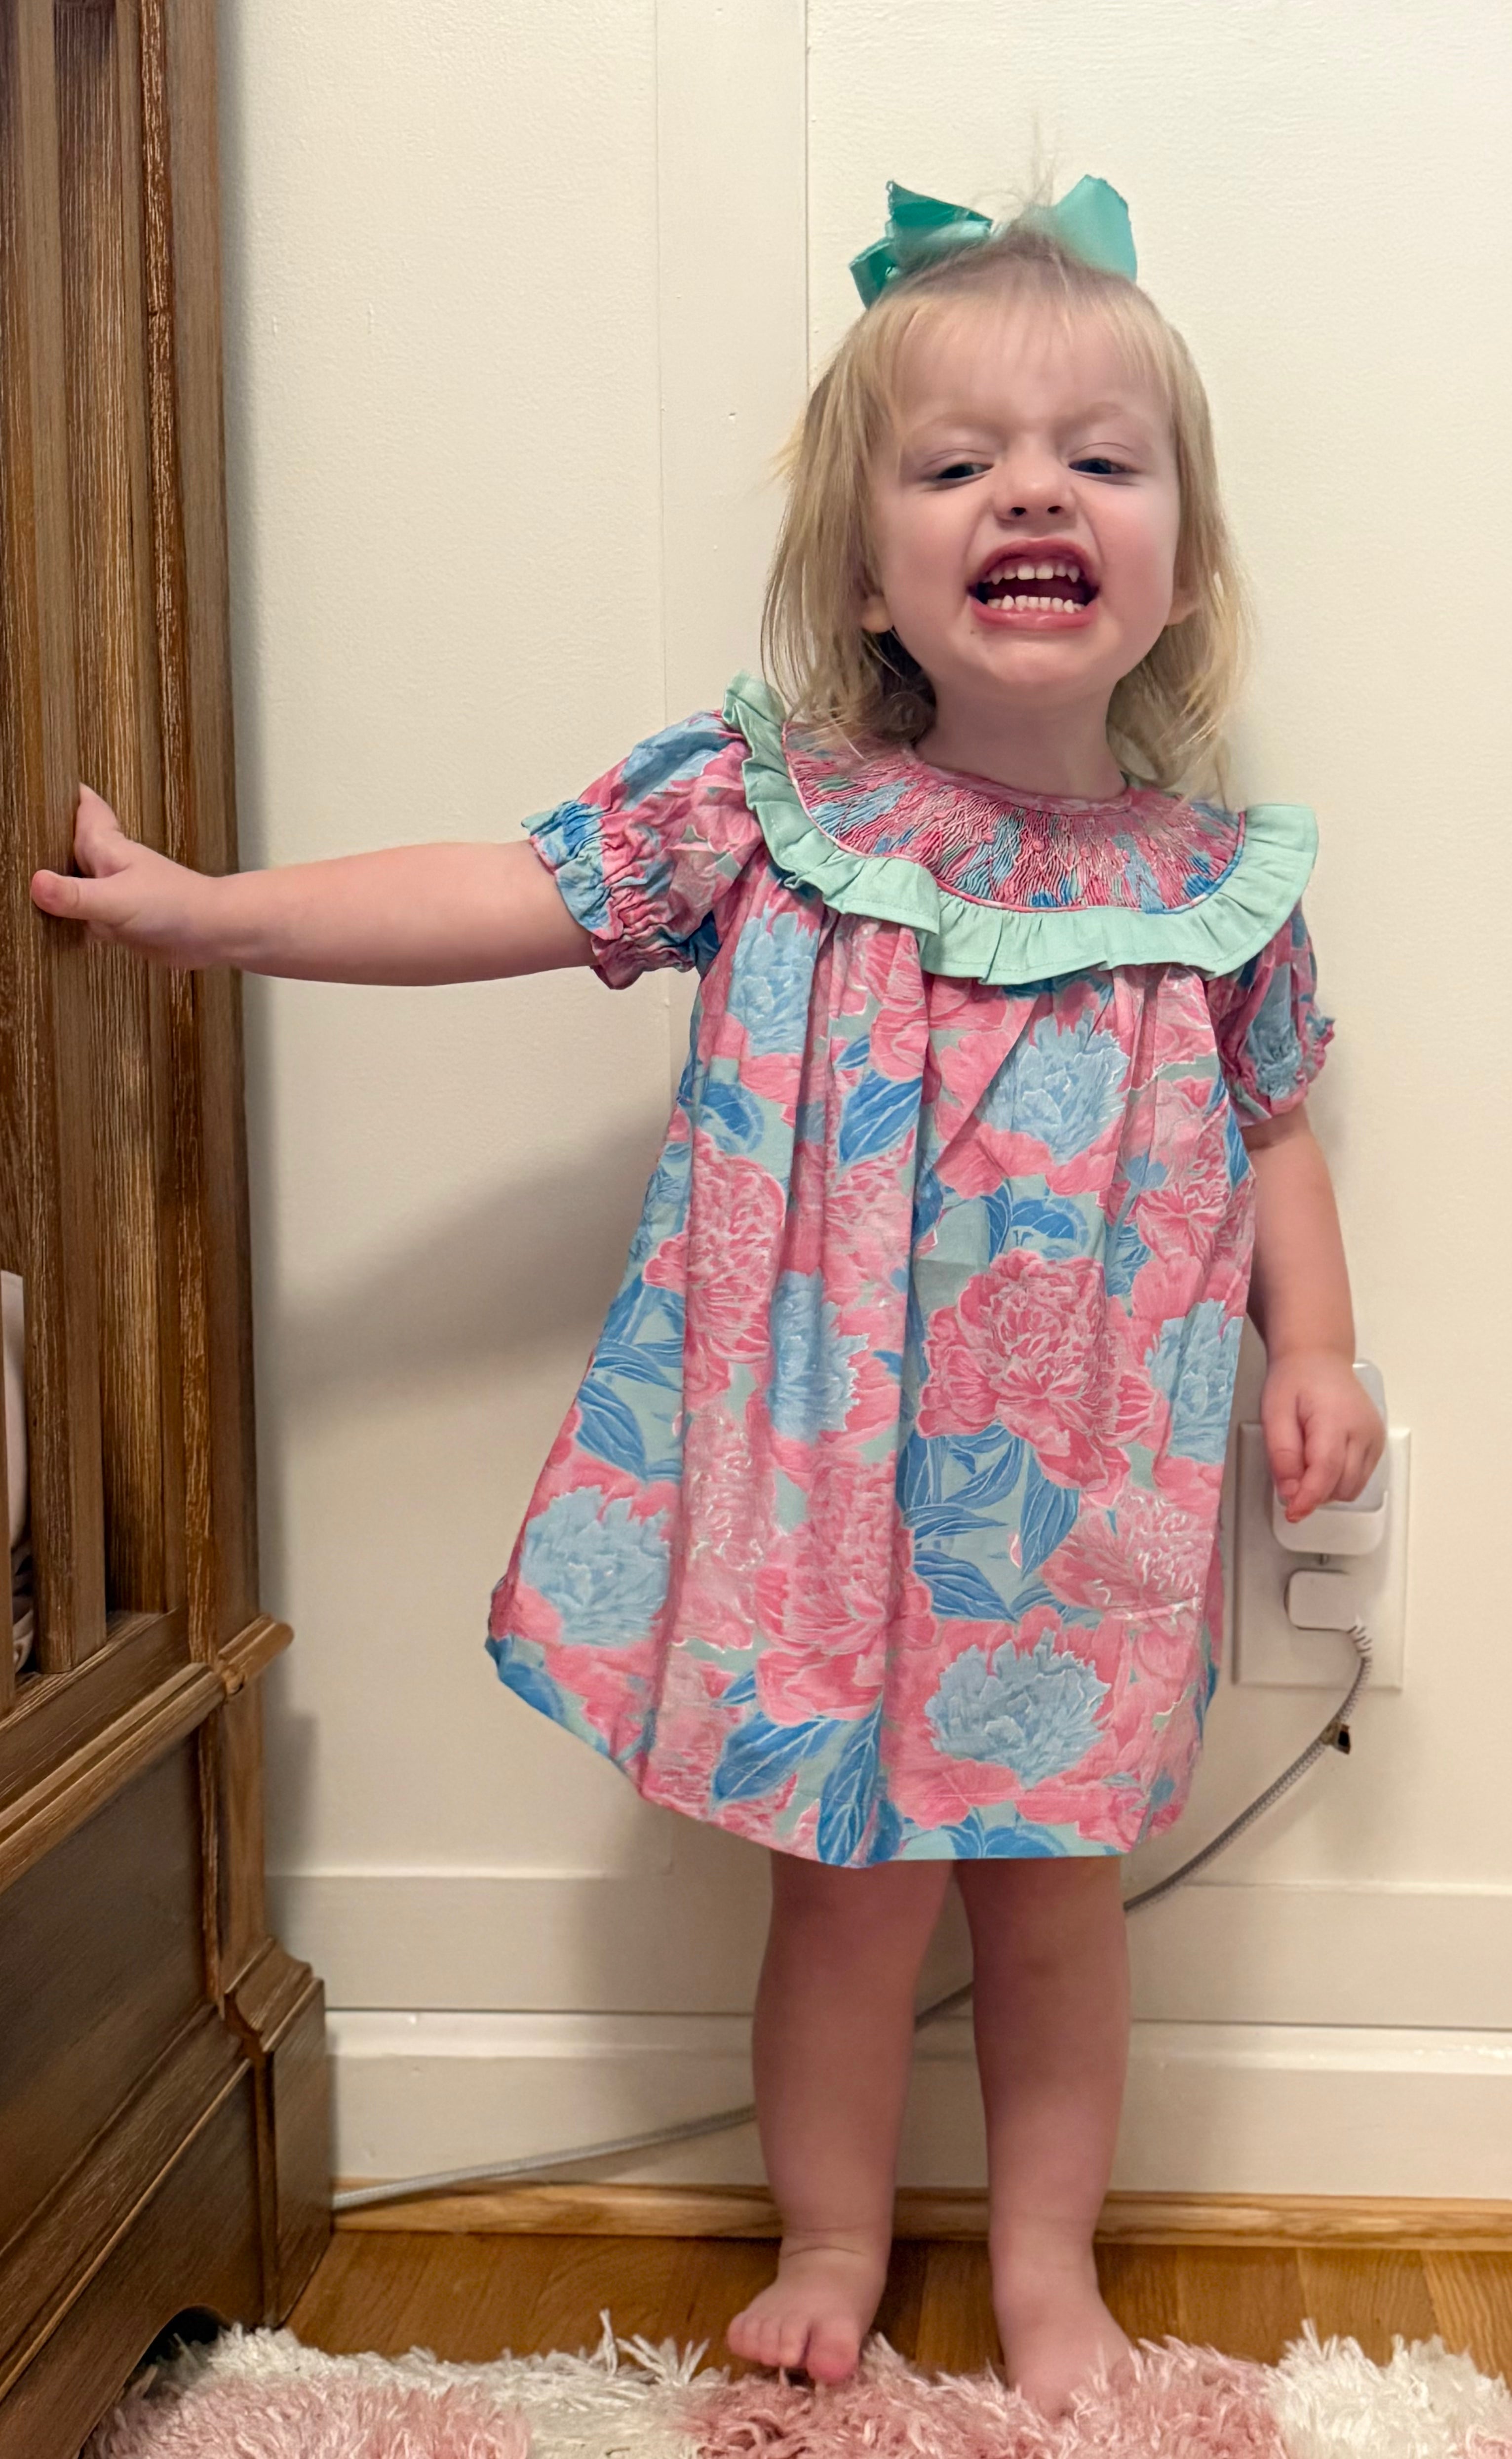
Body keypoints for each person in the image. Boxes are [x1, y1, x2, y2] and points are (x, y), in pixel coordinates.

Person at [32, 177, 1384, 2417]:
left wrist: (1312, 1349)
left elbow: (1274, 1132)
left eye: (1098, 460)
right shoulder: (772, 814)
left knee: (1053, 1900)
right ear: (867, 570)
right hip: (826, 1486)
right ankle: (831, 2240)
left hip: (1081, 1511)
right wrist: (215, 912)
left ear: (1183, 565)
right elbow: (507, 888)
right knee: (840, 1897)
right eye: (956, 464)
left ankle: (1047, 2266)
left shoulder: (1216, 888)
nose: (1031, 492)